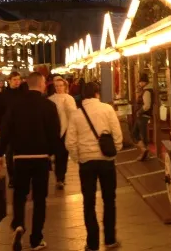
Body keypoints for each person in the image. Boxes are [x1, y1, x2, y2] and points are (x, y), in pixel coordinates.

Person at [0, 72, 60, 251]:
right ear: (41, 85)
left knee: (19, 195)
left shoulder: (16, 106)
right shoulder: (49, 106)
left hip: (20, 158)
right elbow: (54, 132)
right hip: (40, 158)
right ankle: (36, 239)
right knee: (40, 199)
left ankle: (18, 225)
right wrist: (53, 154)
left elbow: (5, 131)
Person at [66, 81, 123, 251]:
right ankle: (110, 239)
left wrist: (78, 158)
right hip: (106, 162)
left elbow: (70, 142)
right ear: (98, 93)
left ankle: (92, 242)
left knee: (88, 202)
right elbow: (117, 135)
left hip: (87, 163)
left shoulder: (76, 114)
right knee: (109, 200)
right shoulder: (107, 109)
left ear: (83, 95)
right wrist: (114, 151)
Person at [0, 71, 23, 187]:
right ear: (9, 81)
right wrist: (1, 127)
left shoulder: (23, 94)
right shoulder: (3, 96)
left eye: (18, 79)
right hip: (8, 130)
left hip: (21, 129)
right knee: (9, 154)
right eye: (15, 79)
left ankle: (20, 176)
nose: (17, 82)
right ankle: (12, 177)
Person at [48, 76, 77, 189]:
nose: (59, 88)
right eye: (57, 86)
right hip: (55, 131)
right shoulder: (51, 99)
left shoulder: (69, 98)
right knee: (58, 155)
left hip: (66, 130)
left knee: (63, 155)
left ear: (65, 86)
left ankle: (61, 177)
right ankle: (59, 177)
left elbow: (73, 115)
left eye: (61, 85)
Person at [132, 73, 153, 161]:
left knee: (142, 135)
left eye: (140, 82)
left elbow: (147, 105)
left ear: (144, 82)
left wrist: (140, 111)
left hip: (144, 115)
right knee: (135, 133)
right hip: (141, 116)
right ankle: (144, 150)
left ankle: (145, 153)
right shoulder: (144, 90)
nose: (139, 84)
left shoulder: (147, 91)